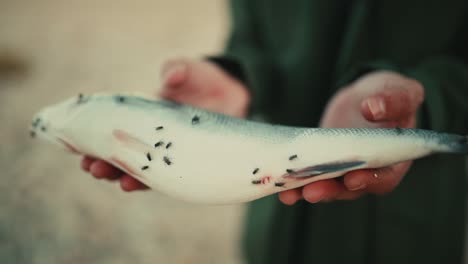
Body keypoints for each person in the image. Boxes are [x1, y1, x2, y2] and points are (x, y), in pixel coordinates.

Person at [81, 1, 468, 263]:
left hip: (413, 232)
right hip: (274, 229)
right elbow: (252, 34)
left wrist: (428, 101)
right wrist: (240, 75)